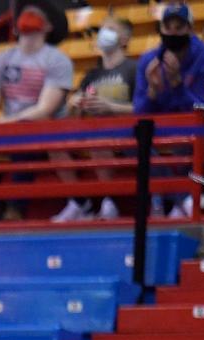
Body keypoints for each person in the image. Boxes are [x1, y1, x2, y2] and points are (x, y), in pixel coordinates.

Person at [0, 0, 73, 221]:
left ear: (49, 26)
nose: (29, 14)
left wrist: (7, 122)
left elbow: (45, 109)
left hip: (40, 128)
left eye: (36, 12)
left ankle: (15, 207)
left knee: (27, 132)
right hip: (8, 126)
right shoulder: (0, 59)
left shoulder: (57, 60)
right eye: (25, 12)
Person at [134, 3, 204, 219]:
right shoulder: (149, 60)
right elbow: (139, 112)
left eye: (180, 27)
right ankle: (184, 198)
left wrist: (177, 83)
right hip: (166, 128)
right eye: (168, 27)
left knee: (185, 142)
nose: (173, 32)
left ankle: (180, 202)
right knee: (133, 140)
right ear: (161, 29)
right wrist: (153, 92)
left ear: (190, 29)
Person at [52, 17, 136, 223]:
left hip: (124, 130)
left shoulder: (134, 69)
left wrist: (111, 107)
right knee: (55, 144)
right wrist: (75, 102)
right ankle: (80, 202)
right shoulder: (92, 74)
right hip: (91, 128)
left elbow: (143, 108)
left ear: (124, 39)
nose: (103, 34)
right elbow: (75, 108)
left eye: (110, 29)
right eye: (101, 29)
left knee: (99, 141)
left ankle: (110, 202)